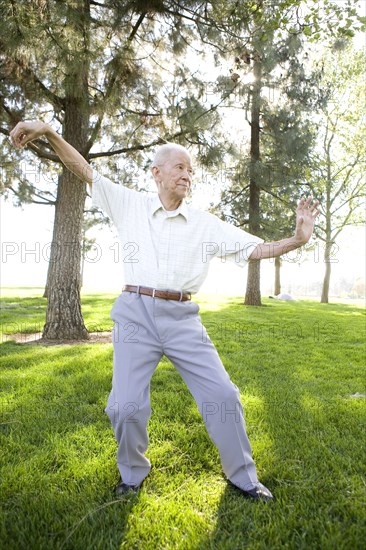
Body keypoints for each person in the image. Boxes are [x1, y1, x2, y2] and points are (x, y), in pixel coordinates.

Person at [10, 121, 320, 502]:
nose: (187, 174)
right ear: (156, 173)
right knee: (125, 406)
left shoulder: (205, 224)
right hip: (135, 315)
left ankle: (243, 477)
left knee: (224, 396)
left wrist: (297, 240)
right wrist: (49, 132)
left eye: (191, 170)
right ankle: (132, 474)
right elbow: (83, 169)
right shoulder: (130, 205)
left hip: (183, 319)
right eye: (179, 167)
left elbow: (254, 249)